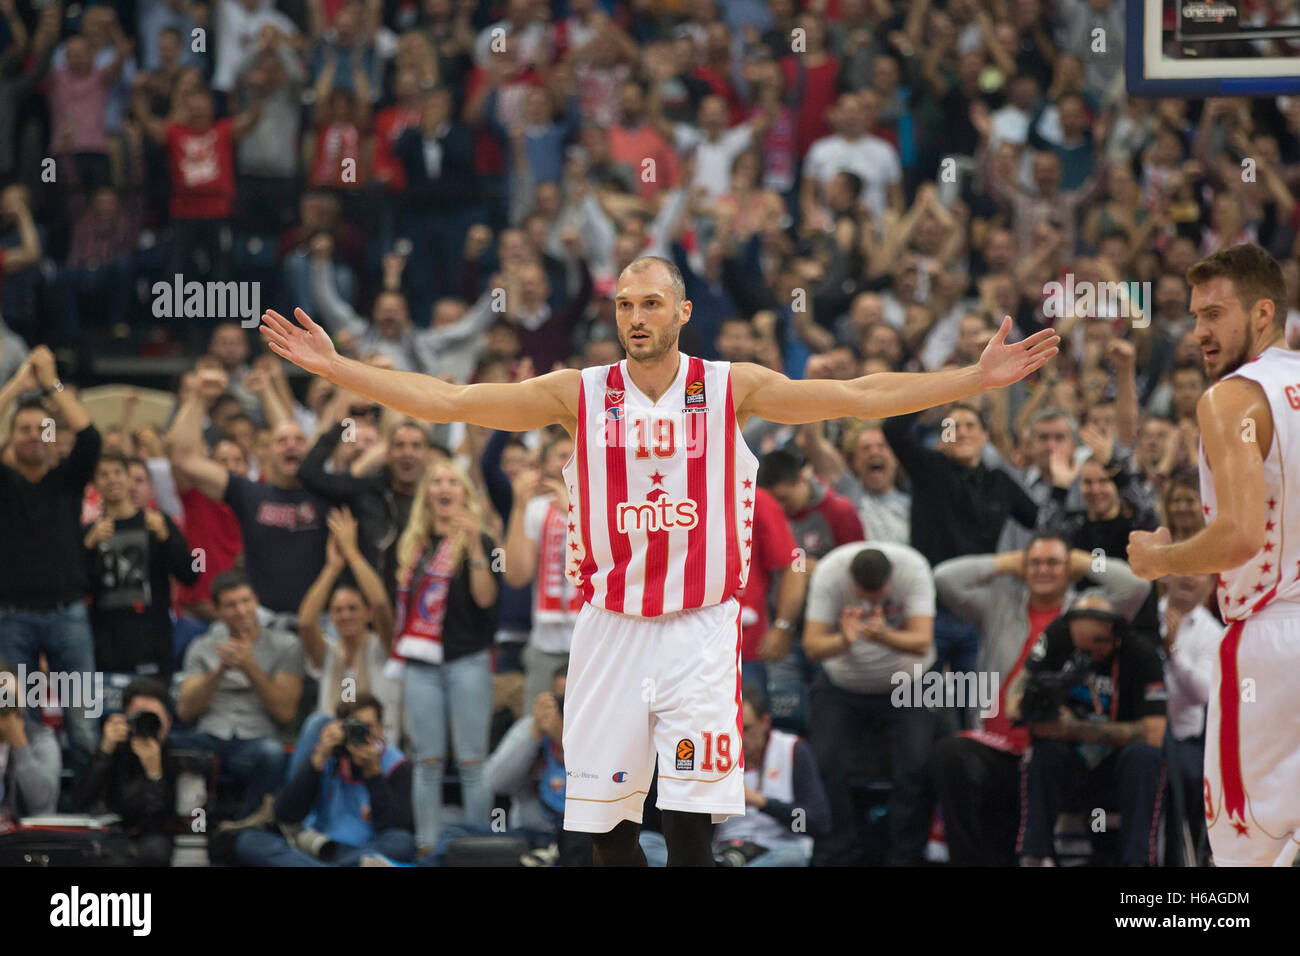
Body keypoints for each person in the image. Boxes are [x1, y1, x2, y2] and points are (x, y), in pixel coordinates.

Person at [260, 254, 1059, 866]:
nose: (635, 316)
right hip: (607, 630)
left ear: (682, 310)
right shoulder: (577, 391)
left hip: (698, 632)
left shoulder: (729, 386)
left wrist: (970, 380)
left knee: (687, 828)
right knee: (607, 834)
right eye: (623, 306)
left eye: (650, 303)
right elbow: (452, 401)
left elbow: (855, 396)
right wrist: (338, 370)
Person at [1127, 243, 1300, 867]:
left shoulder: (1231, 398)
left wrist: (1159, 559)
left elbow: (1239, 535)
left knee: (1242, 853)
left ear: (1261, 313)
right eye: (1196, 315)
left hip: (1271, 646)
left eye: (1215, 314)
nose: (1199, 332)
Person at [930, 534, 1151, 866]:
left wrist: (1087, 561)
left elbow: (1135, 585)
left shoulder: (1086, 608)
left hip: (1061, 746)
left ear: (1069, 568)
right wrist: (1007, 562)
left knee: (1051, 761)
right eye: (1035, 563)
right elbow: (945, 577)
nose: (1043, 570)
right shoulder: (999, 603)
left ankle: (1040, 857)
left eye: (1053, 563)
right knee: (949, 755)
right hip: (1001, 744)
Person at [0, 346, 101, 786]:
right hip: (11, 617)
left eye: (40, 428)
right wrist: (19, 387)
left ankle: (92, 809)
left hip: (68, 614)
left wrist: (52, 384)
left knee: (83, 722)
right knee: (12, 718)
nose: (31, 436)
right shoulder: (4, 484)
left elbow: (91, 435)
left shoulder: (68, 480)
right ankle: (22, 809)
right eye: (21, 429)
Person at [802, 541, 938, 866]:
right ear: (850, 577)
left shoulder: (914, 567)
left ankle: (904, 857)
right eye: (864, 592)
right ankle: (839, 852)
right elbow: (812, 646)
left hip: (908, 682)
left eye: (879, 593)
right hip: (842, 684)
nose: (871, 599)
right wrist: (843, 640)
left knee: (917, 765)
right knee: (823, 762)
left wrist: (884, 636)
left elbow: (921, 642)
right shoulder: (830, 572)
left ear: (892, 576)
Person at [390, 459, 501, 851]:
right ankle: (426, 848)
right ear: (427, 494)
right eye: (436, 480)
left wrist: (473, 543)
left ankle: (476, 849)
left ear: (464, 494)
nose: (444, 487)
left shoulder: (484, 543)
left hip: (467, 661)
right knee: (427, 763)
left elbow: (486, 599)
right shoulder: (409, 543)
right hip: (420, 666)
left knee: (472, 763)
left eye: (453, 481)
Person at [1010, 593, 1168, 866]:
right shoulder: (1058, 636)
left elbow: (1154, 733)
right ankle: (1034, 855)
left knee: (1144, 757)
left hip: (1117, 766)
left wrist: (1072, 728)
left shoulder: (1141, 653)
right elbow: (1014, 704)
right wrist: (1033, 709)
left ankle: (1138, 861)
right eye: (1079, 647)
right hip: (1069, 762)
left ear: (1114, 637)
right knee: (1042, 754)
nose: (1088, 657)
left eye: (1095, 648)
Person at [173, 572, 305, 819]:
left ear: (256, 601)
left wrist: (249, 667)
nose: (241, 610)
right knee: (166, 744)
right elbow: (185, 711)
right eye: (231, 605)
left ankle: (248, 825)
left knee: (273, 754)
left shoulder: (287, 645)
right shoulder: (201, 646)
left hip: (255, 738)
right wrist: (219, 671)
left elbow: (285, 712)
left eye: (246, 601)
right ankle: (180, 826)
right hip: (209, 734)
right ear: (217, 611)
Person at [233, 693, 415, 867]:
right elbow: (285, 815)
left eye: (367, 727)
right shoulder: (328, 755)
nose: (361, 734)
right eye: (354, 728)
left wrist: (373, 775)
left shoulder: (395, 765)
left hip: (366, 850)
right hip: (320, 846)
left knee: (401, 843)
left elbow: (395, 830)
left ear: (381, 729)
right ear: (339, 727)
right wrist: (318, 760)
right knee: (247, 841)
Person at [83, 449, 198, 681]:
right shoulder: (90, 533)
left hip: (153, 644)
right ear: (95, 484)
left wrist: (166, 538)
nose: (112, 479)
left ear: (128, 479)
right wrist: (88, 546)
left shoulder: (159, 523)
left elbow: (190, 573)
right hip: (105, 648)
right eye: (104, 475)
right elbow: (77, 587)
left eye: (118, 472)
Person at [296, 507, 401, 744]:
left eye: (353, 608)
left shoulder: (384, 646)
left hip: (377, 744)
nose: (345, 615)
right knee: (316, 723)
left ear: (367, 614)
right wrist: (332, 568)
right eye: (338, 610)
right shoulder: (328, 653)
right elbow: (305, 622)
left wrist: (352, 554)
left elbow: (382, 604)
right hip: (332, 746)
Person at [711, 683, 829, 867]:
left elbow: (817, 822)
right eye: (732, 729)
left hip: (775, 850)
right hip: (724, 851)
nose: (739, 737)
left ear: (765, 722)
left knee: (791, 856)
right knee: (651, 842)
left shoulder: (793, 750)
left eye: (746, 729)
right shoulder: (714, 753)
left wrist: (762, 802)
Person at [74, 677, 177, 866]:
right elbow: (81, 800)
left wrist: (155, 775)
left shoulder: (175, 756)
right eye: (139, 717)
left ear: (168, 722)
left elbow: (164, 825)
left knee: (155, 849)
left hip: (152, 841)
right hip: (112, 834)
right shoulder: (115, 749)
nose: (146, 724)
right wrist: (104, 752)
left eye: (153, 717)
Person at [0, 660, 61, 820]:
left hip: (22, 840)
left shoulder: (42, 738)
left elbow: (42, 805)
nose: (7, 706)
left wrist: (19, 743)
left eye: (12, 697)